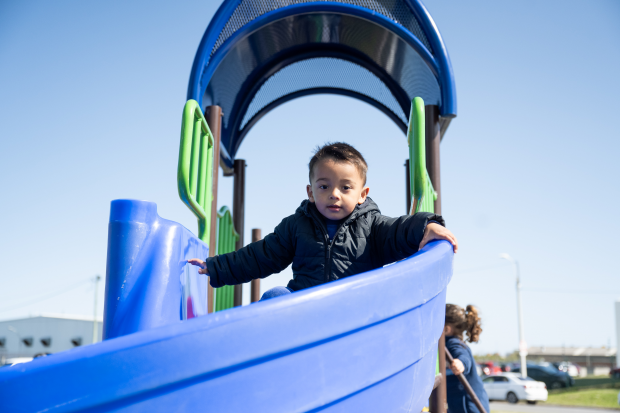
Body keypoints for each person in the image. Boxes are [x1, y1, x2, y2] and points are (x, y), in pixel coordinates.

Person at [188, 142, 458, 300]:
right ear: (310, 191)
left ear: (363, 194)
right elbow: (260, 256)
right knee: (274, 296)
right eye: (324, 186)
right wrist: (217, 267)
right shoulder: (296, 226)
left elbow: (400, 230)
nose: (334, 195)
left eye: (345, 187)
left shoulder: (373, 226)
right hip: (306, 307)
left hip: (354, 310)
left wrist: (427, 225)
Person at [444, 304, 490, 413]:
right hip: (459, 402)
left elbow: (463, 356)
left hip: (469, 405)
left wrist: (461, 363)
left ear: (446, 329)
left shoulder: (454, 343)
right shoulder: (447, 344)